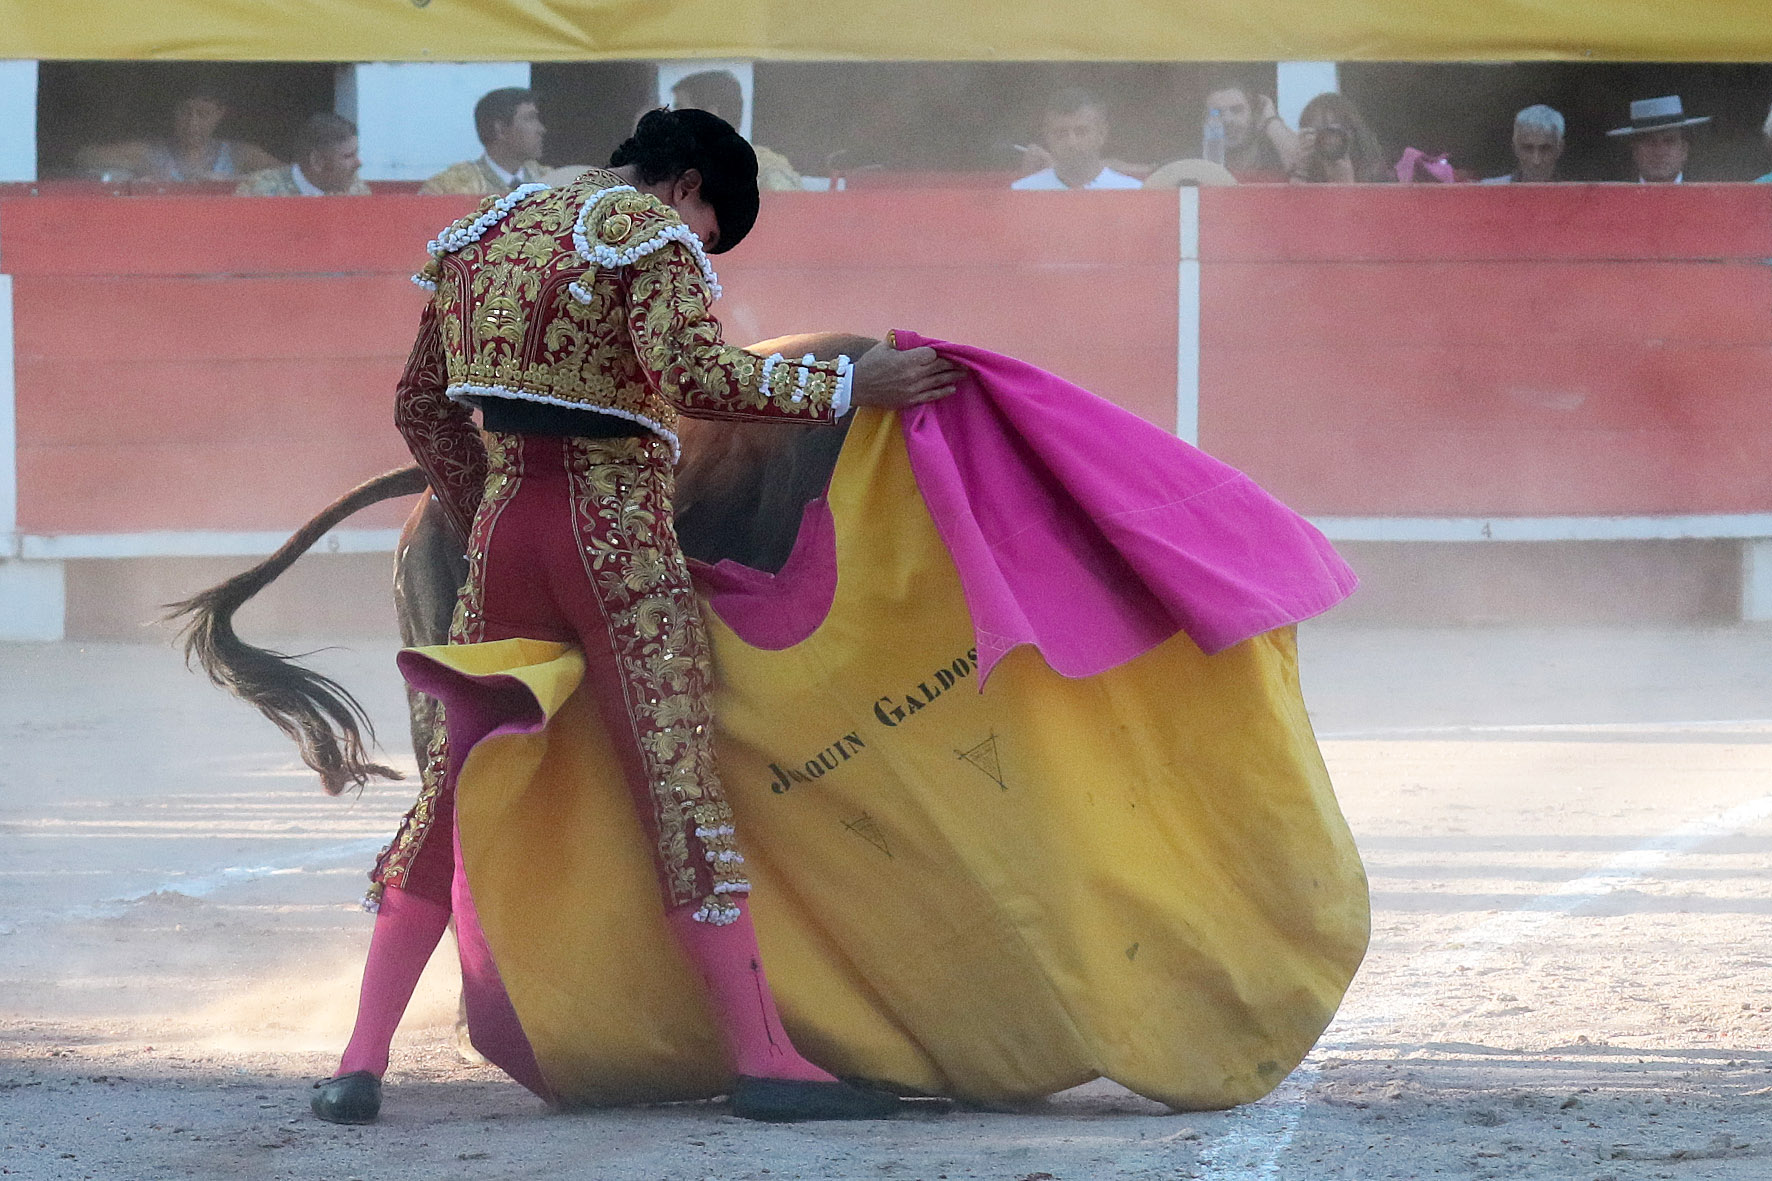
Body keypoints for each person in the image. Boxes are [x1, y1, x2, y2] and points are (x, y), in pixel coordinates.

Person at [308, 107, 961, 1126]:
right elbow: (697, 376)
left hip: (502, 539)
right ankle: (762, 1058)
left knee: (448, 792)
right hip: (612, 541)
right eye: (709, 231)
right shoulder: (645, 235)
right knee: (676, 788)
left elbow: (420, 405)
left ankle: (357, 1061)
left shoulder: (484, 232)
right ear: (686, 186)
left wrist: (486, 507)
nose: (700, 249)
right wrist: (846, 382)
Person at [75, 91, 279, 183]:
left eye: (203, 114)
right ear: (173, 111)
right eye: (185, 112)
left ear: (220, 114)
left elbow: (291, 175)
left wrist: (233, 181)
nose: (193, 123)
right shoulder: (151, 152)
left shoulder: (238, 154)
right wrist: (132, 175)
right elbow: (83, 157)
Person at [671, 69, 803, 192]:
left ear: (709, 114)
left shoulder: (768, 172)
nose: (672, 118)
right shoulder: (678, 170)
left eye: (679, 109)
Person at [418, 88, 547, 196]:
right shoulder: (447, 188)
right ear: (500, 130)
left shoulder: (552, 180)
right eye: (530, 119)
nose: (541, 129)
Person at [1011, 88, 1143, 191]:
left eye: (1081, 132)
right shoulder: (1023, 192)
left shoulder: (1133, 192)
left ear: (1101, 134)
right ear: (1047, 136)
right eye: (1061, 133)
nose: (1071, 142)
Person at [236, 113, 370, 196]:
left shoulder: (356, 189)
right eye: (348, 156)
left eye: (356, 154)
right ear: (317, 161)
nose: (359, 163)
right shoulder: (259, 191)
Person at [1202, 81, 1297, 183]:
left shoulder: (1277, 154)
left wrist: (1270, 120)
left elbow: (1302, 167)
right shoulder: (1197, 164)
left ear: (1254, 114)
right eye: (1216, 113)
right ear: (1204, 121)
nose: (1227, 120)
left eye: (1236, 110)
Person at [1289, 92, 1389, 184]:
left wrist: (1346, 185)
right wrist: (1301, 170)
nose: (1328, 140)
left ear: (1352, 133)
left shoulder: (1377, 175)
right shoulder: (1303, 170)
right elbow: (1292, 202)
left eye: (1333, 132)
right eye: (1318, 132)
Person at [1608, 95, 1709, 183]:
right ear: (1635, 150)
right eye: (1649, 142)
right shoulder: (1613, 198)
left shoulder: (1709, 197)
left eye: (1669, 141)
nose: (1660, 151)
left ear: (1684, 150)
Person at [1481, 104, 1566, 184]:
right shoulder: (1488, 191)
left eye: (1545, 149)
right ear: (1515, 148)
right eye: (1528, 149)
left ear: (1560, 148)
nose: (1536, 160)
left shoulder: (1577, 195)